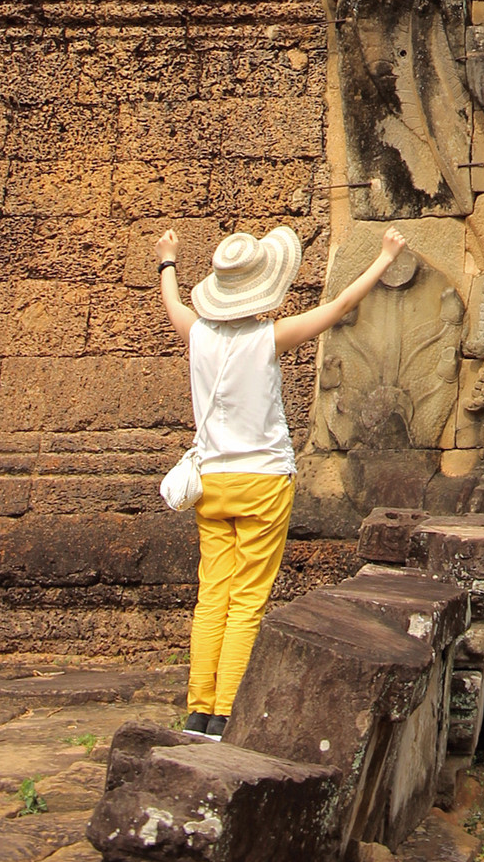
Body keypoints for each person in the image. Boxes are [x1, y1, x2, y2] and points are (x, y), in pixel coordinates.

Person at [154, 222, 407, 738]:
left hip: (212, 482)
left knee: (212, 596)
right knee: (247, 598)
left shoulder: (196, 334)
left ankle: (198, 708)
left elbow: (173, 304)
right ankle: (224, 713)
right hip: (263, 481)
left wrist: (168, 260)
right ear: (259, 289)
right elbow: (336, 310)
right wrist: (383, 260)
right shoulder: (267, 338)